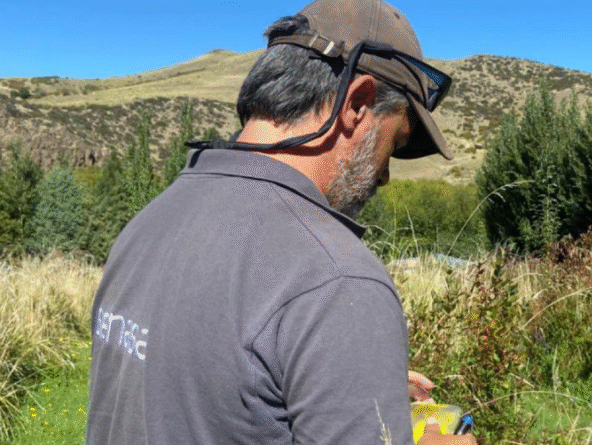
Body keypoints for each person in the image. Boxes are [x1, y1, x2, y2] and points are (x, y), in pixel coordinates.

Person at [87, 0, 478, 444]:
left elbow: (192, 379)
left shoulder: (153, 218)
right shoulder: (337, 279)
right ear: (357, 104)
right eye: (395, 142)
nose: (386, 176)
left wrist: (338, 379)